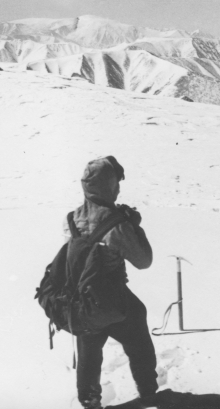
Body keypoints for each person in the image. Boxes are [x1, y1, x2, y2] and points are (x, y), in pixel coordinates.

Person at [67, 156, 157, 409]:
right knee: (137, 329)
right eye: (115, 183)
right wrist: (133, 226)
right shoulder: (115, 223)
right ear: (107, 186)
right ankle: (148, 392)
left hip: (82, 300)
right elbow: (144, 260)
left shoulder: (70, 218)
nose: (118, 188)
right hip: (112, 297)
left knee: (89, 348)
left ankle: (89, 399)